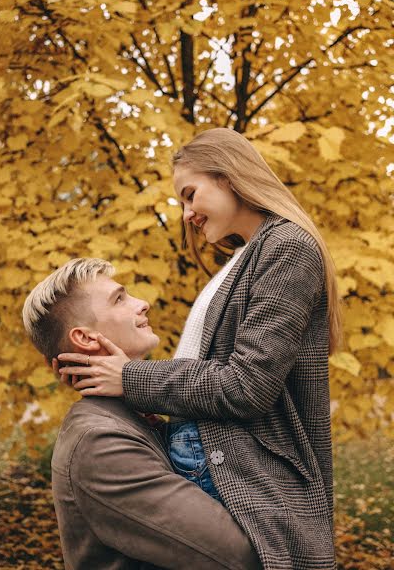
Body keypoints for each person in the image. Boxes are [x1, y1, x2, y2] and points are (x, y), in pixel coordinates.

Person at [58, 128, 342, 570]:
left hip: (235, 477)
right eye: (182, 203)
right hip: (209, 465)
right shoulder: (246, 256)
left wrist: (130, 379)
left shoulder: (288, 247)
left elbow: (247, 386)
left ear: (228, 176)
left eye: (191, 195)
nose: (188, 213)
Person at [22, 258, 260, 570]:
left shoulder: (136, 418)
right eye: (119, 299)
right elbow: (240, 556)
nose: (143, 303)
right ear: (86, 338)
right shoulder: (100, 442)